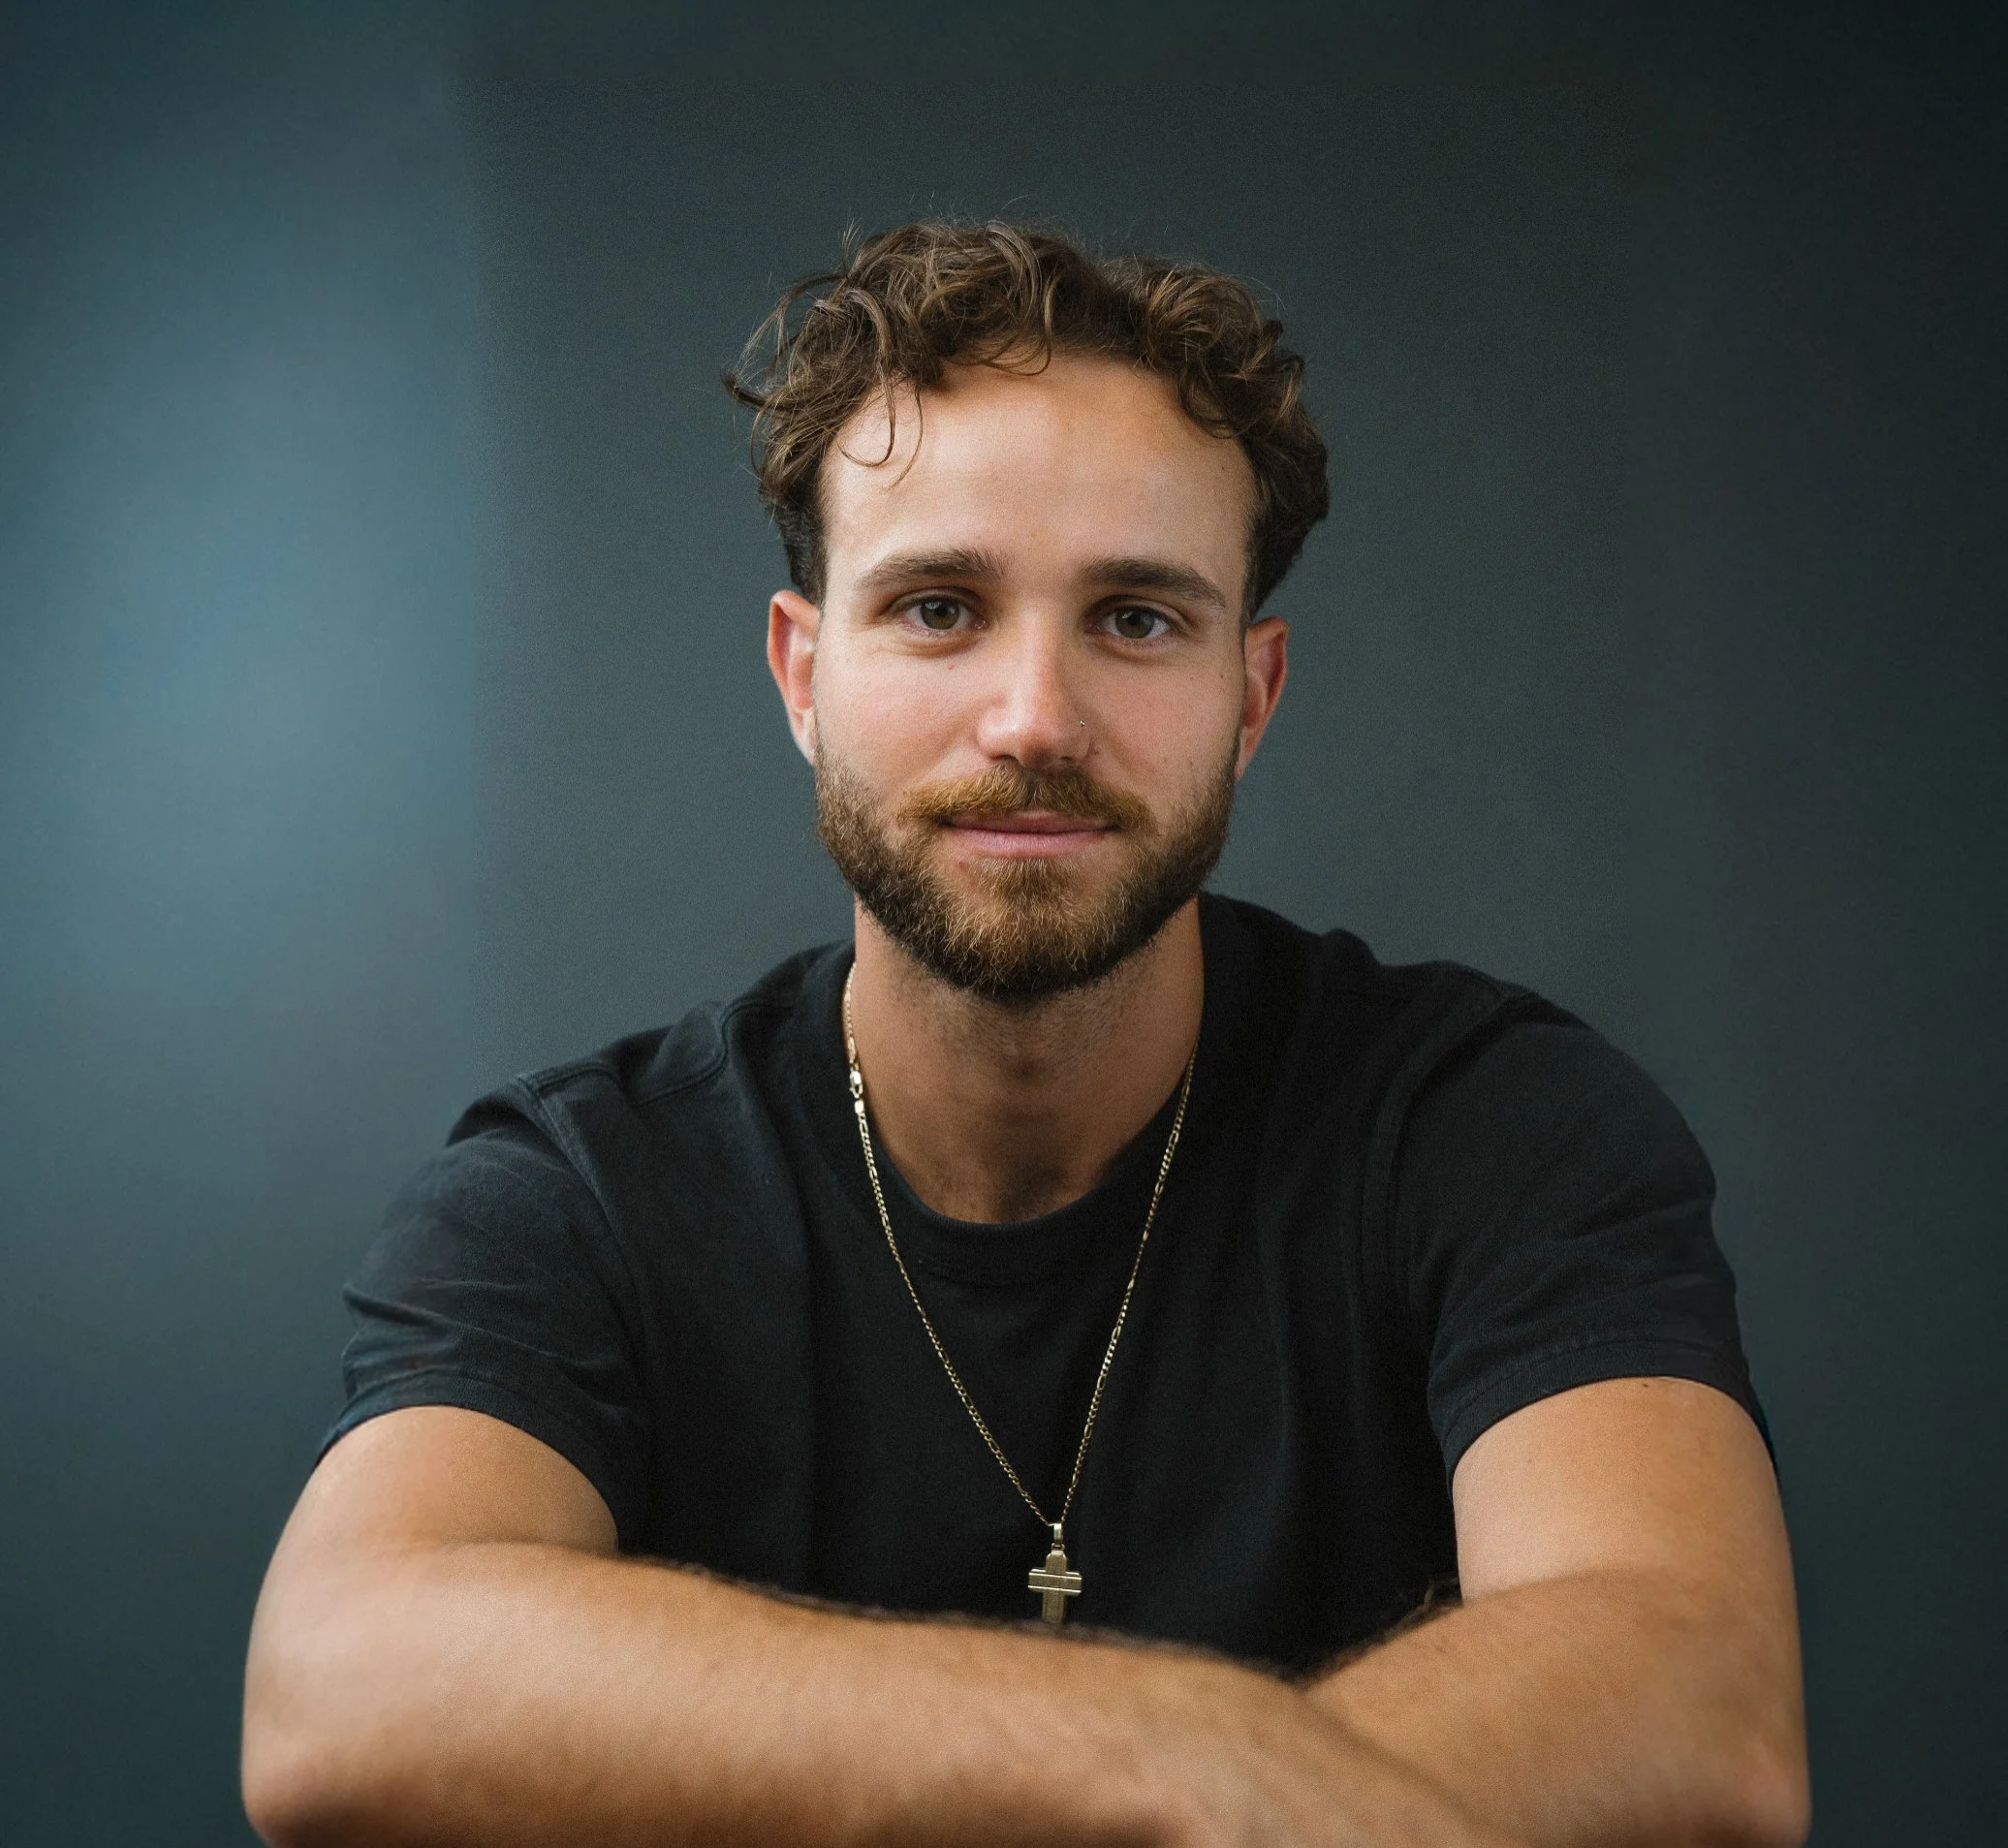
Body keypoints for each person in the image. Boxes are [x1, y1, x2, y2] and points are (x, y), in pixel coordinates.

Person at [242, 222, 1808, 1847]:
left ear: (1252, 696)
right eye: (938, 606)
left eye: (1137, 618)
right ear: (802, 674)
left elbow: (1698, 1694)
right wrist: (1165, 1744)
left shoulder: (1492, 1126)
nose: (1036, 719)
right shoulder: (582, 1189)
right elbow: (337, 1685)